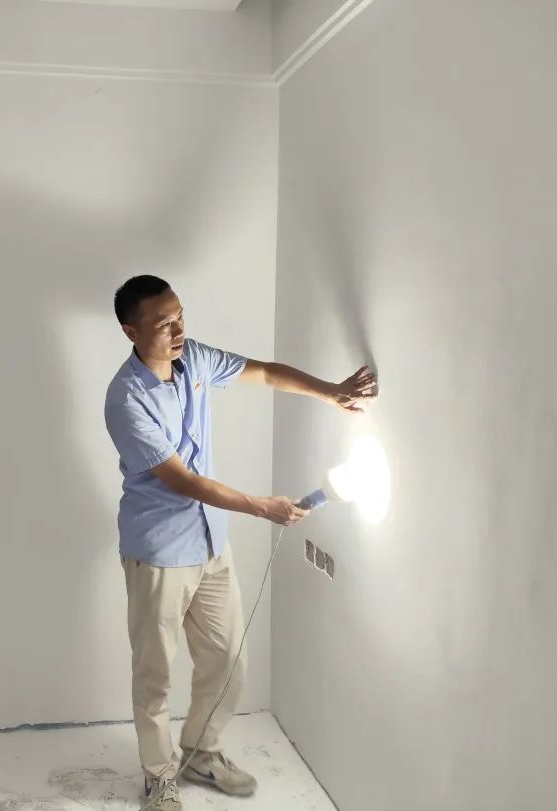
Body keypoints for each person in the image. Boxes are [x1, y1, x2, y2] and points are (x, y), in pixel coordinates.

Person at [104, 276, 377, 809]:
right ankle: (159, 775)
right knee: (155, 674)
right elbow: (182, 481)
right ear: (131, 331)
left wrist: (331, 392)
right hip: (157, 552)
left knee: (228, 660)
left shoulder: (194, 359)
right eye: (163, 323)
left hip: (210, 542)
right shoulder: (125, 399)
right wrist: (261, 507)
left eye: (180, 316)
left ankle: (201, 752)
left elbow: (265, 372)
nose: (178, 330)